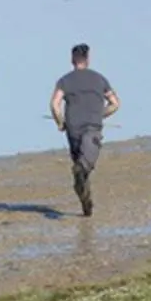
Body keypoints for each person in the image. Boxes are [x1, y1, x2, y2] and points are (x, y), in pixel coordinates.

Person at [49, 43, 120, 217]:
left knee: (80, 170)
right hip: (92, 128)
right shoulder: (100, 79)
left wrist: (60, 122)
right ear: (87, 59)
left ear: (72, 60)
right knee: (85, 165)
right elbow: (115, 104)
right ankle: (84, 194)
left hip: (72, 129)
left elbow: (54, 104)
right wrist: (100, 115)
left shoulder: (64, 80)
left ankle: (86, 205)